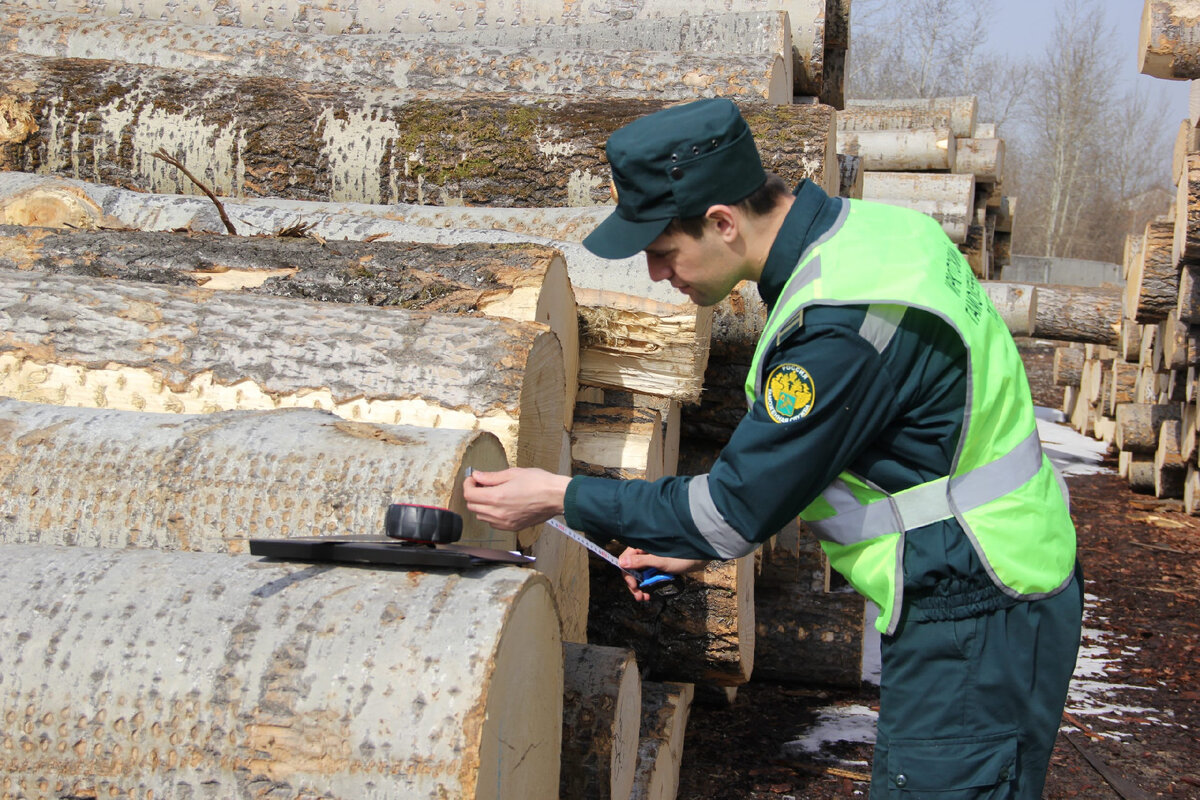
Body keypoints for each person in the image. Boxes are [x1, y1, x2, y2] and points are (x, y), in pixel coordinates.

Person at [463, 97, 1082, 799]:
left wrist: (557, 494)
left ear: (723, 223)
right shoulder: (876, 238)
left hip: (976, 609)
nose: (658, 275)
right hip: (1003, 571)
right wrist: (703, 541)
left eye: (663, 253)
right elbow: (864, 441)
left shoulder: (838, 329)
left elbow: (729, 507)